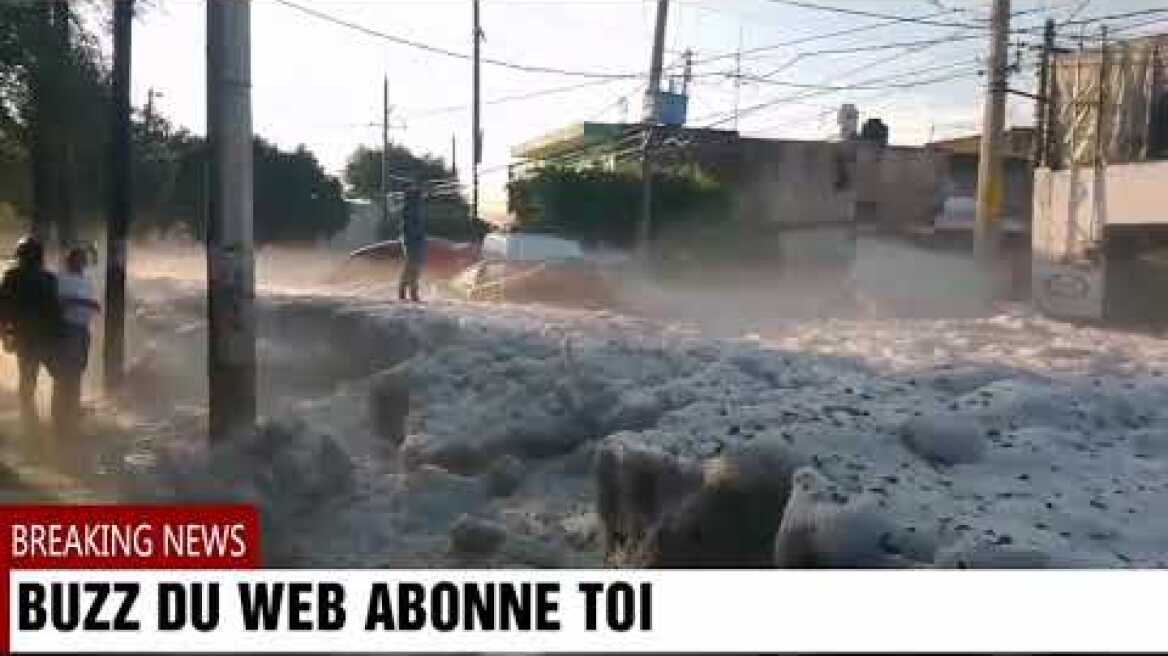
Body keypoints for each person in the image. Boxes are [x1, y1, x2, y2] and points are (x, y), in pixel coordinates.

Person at [0, 236, 61, 429]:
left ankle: (30, 422)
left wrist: (5, 335)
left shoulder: (12, 277)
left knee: (27, 381)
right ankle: (59, 419)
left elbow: (3, 309)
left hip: (25, 337)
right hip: (46, 337)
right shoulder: (48, 278)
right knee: (60, 377)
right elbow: (55, 310)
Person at [52, 246, 99, 437]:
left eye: (83, 260)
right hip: (67, 330)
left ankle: (71, 413)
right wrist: (86, 303)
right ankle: (61, 418)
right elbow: (59, 302)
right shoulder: (61, 280)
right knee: (65, 375)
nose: (82, 263)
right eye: (78, 259)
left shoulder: (85, 281)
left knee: (77, 373)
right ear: (70, 261)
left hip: (81, 330)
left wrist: (88, 306)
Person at [398, 185, 426, 302]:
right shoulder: (410, 209)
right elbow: (409, 227)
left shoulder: (412, 208)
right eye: (419, 197)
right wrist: (417, 235)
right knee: (412, 266)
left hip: (414, 240)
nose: (421, 199)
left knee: (414, 266)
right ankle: (408, 293)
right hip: (412, 241)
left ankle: (409, 292)